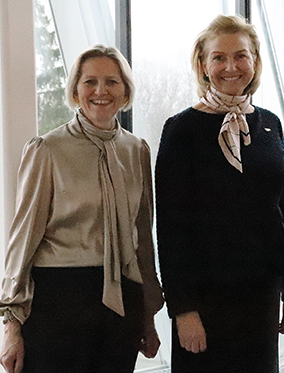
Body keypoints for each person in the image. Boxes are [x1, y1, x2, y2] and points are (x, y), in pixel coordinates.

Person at [0, 45, 164, 373]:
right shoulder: (46, 149)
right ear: (75, 90)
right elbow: (23, 239)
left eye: (111, 82)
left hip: (123, 306)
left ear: (125, 90)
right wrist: (11, 325)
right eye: (90, 82)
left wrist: (147, 316)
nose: (100, 91)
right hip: (58, 301)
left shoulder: (137, 150)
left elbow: (143, 237)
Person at [155, 14, 284, 373]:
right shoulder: (181, 129)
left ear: (255, 62)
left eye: (241, 56)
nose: (230, 66)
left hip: (261, 295)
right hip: (203, 299)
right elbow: (171, 228)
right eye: (219, 57)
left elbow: (283, 209)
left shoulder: (269, 124)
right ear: (203, 65)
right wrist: (183, 311)